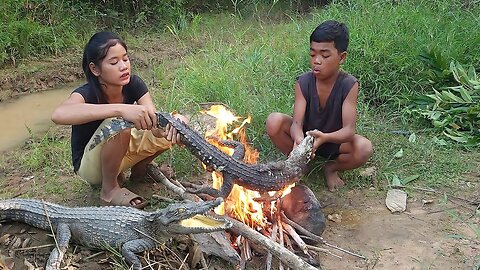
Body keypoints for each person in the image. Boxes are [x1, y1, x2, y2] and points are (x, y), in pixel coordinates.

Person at [51, 31, 186, 208]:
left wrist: (170, 126)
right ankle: (109, 190)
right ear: (95, 69)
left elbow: (154, 123)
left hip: (121, 151)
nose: (123, 66)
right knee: (119, 125)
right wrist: (121, 109)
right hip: (90, 166)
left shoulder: (134, 84)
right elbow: (58, 115)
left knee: (172, 124)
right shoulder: (86, 93)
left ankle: (141, 170)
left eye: (125, 59)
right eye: (114, 62)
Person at [266, 20, 373, 191]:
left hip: (333, 141)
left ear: (342, 57)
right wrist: (300, 140)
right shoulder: (304, 82)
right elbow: (296, 123)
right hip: (307, 139)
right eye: (312, 54)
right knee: (274, 121)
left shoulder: (349, 84)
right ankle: (301, 165)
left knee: (364, 148)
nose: (317, 61)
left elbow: (348, 130)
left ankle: (330, 168)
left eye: (325, 55)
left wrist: (325, 137)